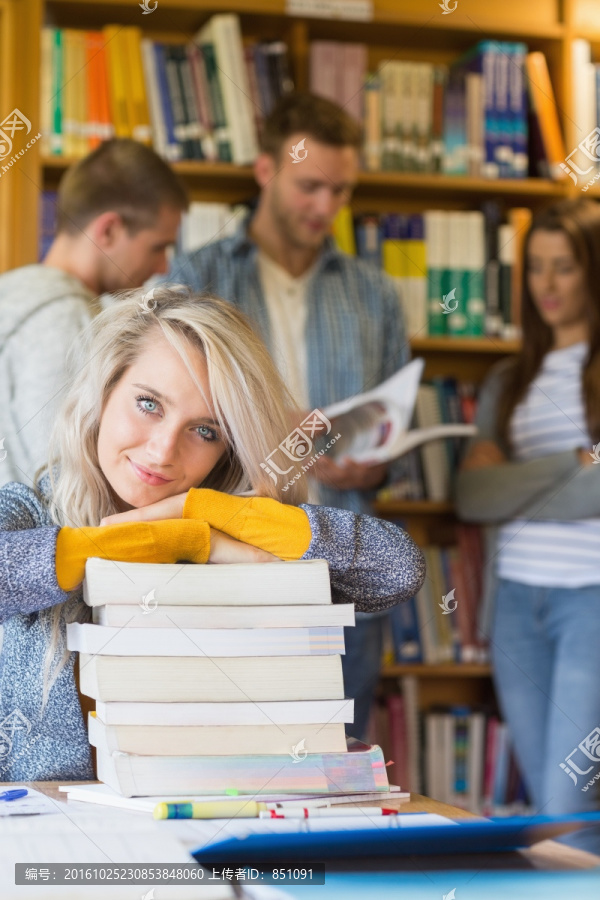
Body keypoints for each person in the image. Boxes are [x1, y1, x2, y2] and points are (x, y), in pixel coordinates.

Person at [0, 285, 425, 782]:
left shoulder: (239, 525)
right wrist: (176, 540)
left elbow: (397, 569)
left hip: (206, 825)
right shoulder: (28, 510)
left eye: (205, 431)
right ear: (102, 393)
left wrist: (205, 511)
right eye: (148, 404)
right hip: (54, 838)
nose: (162, 452)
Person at [161, 93, 411, 739]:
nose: (325, 207)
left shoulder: (374, 293)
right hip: (226, 557)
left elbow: (393, 420)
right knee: (219, 745)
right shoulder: (197, 276)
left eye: (340, 190)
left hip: (338, 560)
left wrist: (377, 462)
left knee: (334, 749)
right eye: (309, 186)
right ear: (265, 171)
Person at [454, 198, 600, 852]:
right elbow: (472, 496)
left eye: (563, 267)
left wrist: (512, 486)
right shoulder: (506, 381)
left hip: (588, 602)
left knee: (572, 804)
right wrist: (574, 463)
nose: (546, 284)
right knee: (548, 811)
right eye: (535, 267)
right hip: (514, 604)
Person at [0, 138, 188, 490]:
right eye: (158, 246)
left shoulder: (13, 292)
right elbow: (61, 481)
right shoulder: (61, 321)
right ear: (109, 230)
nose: (163, 264)